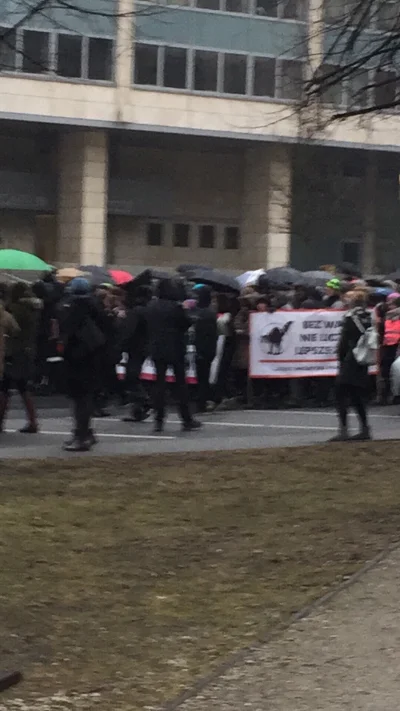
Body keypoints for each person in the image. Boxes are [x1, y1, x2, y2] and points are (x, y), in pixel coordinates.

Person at [58, 277, 108, 452]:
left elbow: (67, 332)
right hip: (93, 355)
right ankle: (85, 433)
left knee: (79, 398)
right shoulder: (96, 307)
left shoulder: (72, 308)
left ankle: (81, 436)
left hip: (77, 356)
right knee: (86, 396)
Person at [146, 278, 201, 433]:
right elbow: (185, 323)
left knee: (159, 385)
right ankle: (186, 419)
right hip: (175, 347)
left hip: (156, 348)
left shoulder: (151, 306)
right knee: (180, 384)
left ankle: (158, 420)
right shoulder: (175, 307)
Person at [330, 290, 372, 442]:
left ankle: (343, 429)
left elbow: (344, 342)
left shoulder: (350, 318)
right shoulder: (368, 316)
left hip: (351, 359)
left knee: (340, 393)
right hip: (363, 360)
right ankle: (365, 428)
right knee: (357, 396)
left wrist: (340, 358)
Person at [0, 282, 41, 434]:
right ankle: (32, 421)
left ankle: (1, 420)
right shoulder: (33, 308)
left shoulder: (15, 309)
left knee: (5, 387)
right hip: (27, 351)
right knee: (23, 388)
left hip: (13, 351)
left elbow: (12, 329)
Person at [119, 285, 151, 422]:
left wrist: (120, 345)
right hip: (144, 346)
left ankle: (143, 401)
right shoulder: (147, 310)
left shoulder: (135, 312)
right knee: (133, 375)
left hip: (135, 347)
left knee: (131, 376)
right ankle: (138, 409)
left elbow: (128, 331)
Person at [192, 286, 217, 413]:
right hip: (206, 349)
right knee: (203, 376)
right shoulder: (208, 312)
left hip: (203, 349)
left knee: (202, 376)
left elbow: (206, 335)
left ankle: (201, 401)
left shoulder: (204, 313)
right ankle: (202, 400)